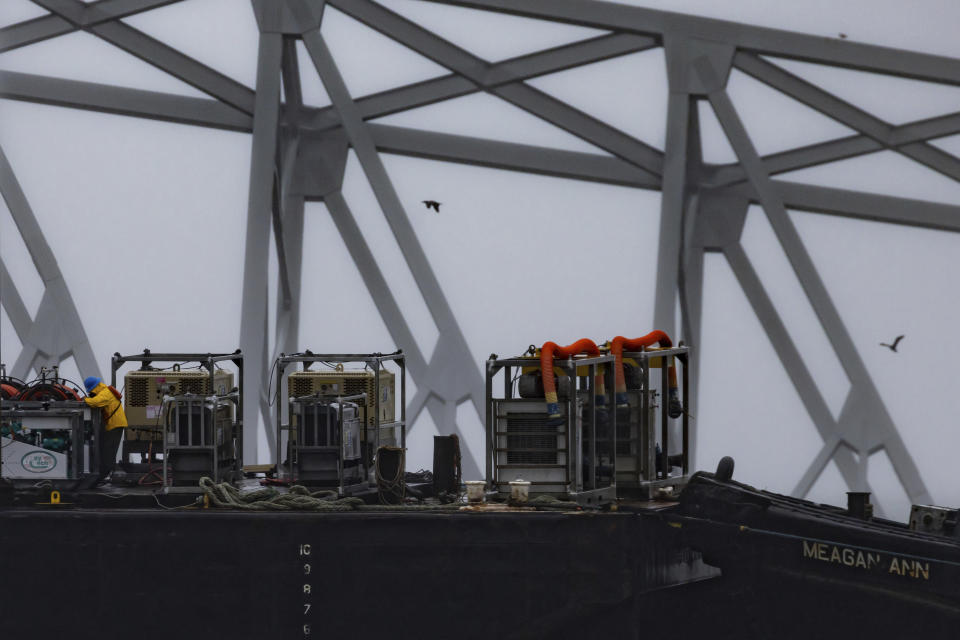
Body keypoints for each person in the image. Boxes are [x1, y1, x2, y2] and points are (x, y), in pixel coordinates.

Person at [83, 376, 127, 483]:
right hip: (113, 425)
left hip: (114, 425)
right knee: (104, 449)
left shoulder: (105, 393)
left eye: (91, 391)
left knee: (108, 451)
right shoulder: (105, 391)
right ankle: (102, 474)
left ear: (95, 388)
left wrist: (84, 399)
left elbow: (95, 402)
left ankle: (101, 477)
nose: (92, 393)